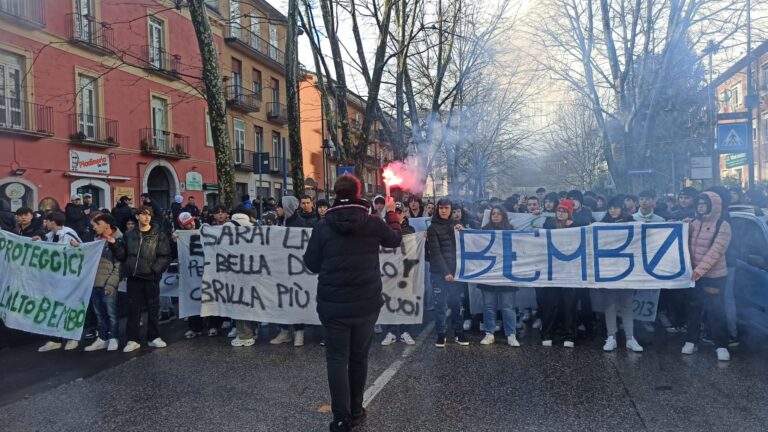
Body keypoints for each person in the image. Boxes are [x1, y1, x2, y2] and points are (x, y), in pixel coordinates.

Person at [303, 174, 401, 432]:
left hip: (333, 304)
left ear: (335, 194)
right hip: (365, 304)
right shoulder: (372, 223)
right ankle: (356, 412)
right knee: (358, 357)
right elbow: (395, 239)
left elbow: (311, 264)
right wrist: (392, 215)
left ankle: (340, 419)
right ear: (359, 192)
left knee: (336, 359)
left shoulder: (323, 226)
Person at [107, 206, 171, 352]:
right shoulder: (129, 234)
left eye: (149, 214)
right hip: (134, 277)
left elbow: (165, 256)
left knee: (153, 309)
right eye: (143, 214)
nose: (147, 217)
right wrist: (114, 244)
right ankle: (132, 339)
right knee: (133, 310)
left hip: (150, 278)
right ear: (137, 217)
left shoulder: (158, 234)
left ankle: (153, 337)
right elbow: (123, 255)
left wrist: (154, 271)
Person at [683, 192, 733, 361]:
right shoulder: (694, 223)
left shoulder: (722, 225)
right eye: (699, 203)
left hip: (714, 276)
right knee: (693, 308)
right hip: (694, 275)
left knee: (716, 310)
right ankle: (691, 341)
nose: (701, 206)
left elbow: (717, 251)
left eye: (704, 203)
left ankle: (721, 345)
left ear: (714, 205)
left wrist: (700, 269)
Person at [600, 197, 644, 352]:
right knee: (610, 304)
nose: (612, 211)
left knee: (626, 305)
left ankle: (630, 338)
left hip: (627, 270)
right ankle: (611, 336)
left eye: (616, 208)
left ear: (621, 208)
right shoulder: (602, 224)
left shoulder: (632, 222)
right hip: (609, 269)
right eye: (610, 208)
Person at [36, 211, 83, 352]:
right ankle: (55, 339)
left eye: (46, 221)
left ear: (52, 221)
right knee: (54, 307)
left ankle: (72, 337)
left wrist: (77, 247)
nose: (45, 224)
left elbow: (82, 250)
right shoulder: (50, 236)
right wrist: (39, 242)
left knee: (69, 307)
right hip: (55, 279)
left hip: (68, 279)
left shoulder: (68, 234)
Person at [428, 198, 469, 347]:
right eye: (441, 208)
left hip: (455, 272)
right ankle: (441, 334)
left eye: (446, 208)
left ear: (451, 209)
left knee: (456, 304)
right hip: (439, 273)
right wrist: (446, 272)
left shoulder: (456, 226)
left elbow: (463, 247)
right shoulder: (432, 228)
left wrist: (462, 233)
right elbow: (436, 253)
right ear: (438, 209)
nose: (443, 211)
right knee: (440, 305)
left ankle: (459, 333)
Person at [478, 206, 520, 347]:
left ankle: (511, 334)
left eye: (498, 213)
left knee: (508, 306)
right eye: (493, 214)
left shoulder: (511, 230)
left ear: (503, 215)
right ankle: (489, 333)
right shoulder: (483, 231)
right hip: (488, 273)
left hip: (507, 273)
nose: (495, 216)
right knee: (489, 305)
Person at [538, 199, 578, 348]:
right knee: (550, 303)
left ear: (569, 214)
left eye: (564, 211)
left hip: (570, 270)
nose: (560, 213)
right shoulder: (548, 224)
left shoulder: (576, 227)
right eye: (559, 210)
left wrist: (573, 226)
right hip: (551, 270)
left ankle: (569, 335)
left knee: (569, 304)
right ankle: (547, 333)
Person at [271, 196, 308, 346]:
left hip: (296, 269)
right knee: (283, 300)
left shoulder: (299, 223)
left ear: (286, 208)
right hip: (281, 268)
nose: (277, 209)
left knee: (295, 300)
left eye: (279, 207)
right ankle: (284, 331)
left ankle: (299, 331)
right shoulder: (280, 222)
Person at [84, 213, 122, 352]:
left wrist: (111, 284)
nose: (94, 228)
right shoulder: (95, 241)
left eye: (97, 224)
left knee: (111, 313)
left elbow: (119, 265)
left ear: (107, 224)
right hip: (94, 282)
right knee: (99, 314)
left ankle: (113, 338)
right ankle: (102, 338)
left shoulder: (119, 239)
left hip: (108, 282)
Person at [381, 203, 417, 346]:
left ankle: (404, 331)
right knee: (389, 300)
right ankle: (390, 331)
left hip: (405, 271)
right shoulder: (383, 228)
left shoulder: (410, 229)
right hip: (388, 271)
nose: (397, 214)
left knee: (405, 300)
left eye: (399, 211)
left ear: (404, 213)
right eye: (394, 211)